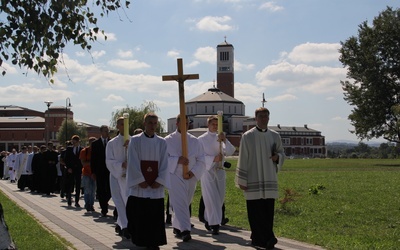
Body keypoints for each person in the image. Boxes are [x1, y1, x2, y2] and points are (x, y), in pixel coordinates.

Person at [235, 107, 285, 250]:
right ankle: (259, 239)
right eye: (261, 116)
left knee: (268, 210)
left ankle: (268, 237)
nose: (264, 119)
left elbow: (282, 153)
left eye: (266, 116)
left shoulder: (275, 136)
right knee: (255, 211)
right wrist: (242, 180)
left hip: (269, 177)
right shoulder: (247, 136)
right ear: (255, 118)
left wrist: (277, 157)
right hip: (253, 178)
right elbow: (243, 158)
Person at [126, 113, 169, 249]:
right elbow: (132, 161)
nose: (153, 126)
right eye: (150, 123)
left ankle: (155, 242)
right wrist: (140, 179)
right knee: (141, 217)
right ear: (144, 123)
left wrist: (160, 180)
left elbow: (165, 163)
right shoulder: (135, 140)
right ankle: (141, 240)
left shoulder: (162, 142)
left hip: (156, 188)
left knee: (155, 218)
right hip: (140, 188)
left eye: (155, 123)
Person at [165, 114, 205, 242]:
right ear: (177, 124)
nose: (186, 125)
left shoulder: (195, 141)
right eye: (183, 123)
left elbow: (201, 160)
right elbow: (163, 159)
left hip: (191, 175)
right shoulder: (168, 140)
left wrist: (193, 172)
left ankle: (177, 226)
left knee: (185, 201)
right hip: (175, 175)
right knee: (179, 201)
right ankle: (186, 230)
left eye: (187, 123)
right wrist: (177, 160)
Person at [198, 115, 236, 235]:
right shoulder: (201, 139)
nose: (215, 126)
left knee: (220, 197)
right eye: (213, 124)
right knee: (210, 197)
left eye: (217, 125)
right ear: (208, 125)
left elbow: (230, 151)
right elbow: (199, 156)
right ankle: (215, 225)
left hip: (219, 170)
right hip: (207, 171)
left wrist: (224, 140)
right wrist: (213, 158)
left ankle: (209, 219)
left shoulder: (220, 137)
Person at [105, 118, 130, 239]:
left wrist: (130, 147)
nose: (123, 126)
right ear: (117, 126)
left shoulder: (133, 141)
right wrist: (121, 166)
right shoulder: (112, 143)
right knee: (118, 201)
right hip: (115, 175)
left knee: (127, 201)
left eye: (125, 124)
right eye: (121, 124)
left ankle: (122, 225)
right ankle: (125, 227)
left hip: (129, 176)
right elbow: (109, 160)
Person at [91, 125, 111, 217]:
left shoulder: (112, 142)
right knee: (101, 190)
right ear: (101, 132)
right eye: (105, 131)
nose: (107, 133)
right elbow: (93, 159)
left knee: (110, 190)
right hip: (99, 171)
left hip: (110, 171)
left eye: (108, 131)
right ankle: (104, 208)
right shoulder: (95, 144)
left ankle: (105, 201)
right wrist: (93, 172)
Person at [64, 135, 83, 207]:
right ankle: (69, 199)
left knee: (78, 185)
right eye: (73, 142)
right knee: (70, 184)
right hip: (71, 169)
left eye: (75, 142)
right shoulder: (69, 149)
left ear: (78, 142)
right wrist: (68, 167)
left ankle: (77, 201)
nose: (73, 143)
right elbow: (66, 159)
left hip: (78, 169)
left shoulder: (81, 149)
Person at [80, 137, 97, 212]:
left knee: (93, 190)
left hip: (95, 173)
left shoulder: (97, 151)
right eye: (91, 142)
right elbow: (83, 163)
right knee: (87, 189)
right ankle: (87, 203)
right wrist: (92, 163)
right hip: (86, 173)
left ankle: (91, 204)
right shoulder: (84, 151)